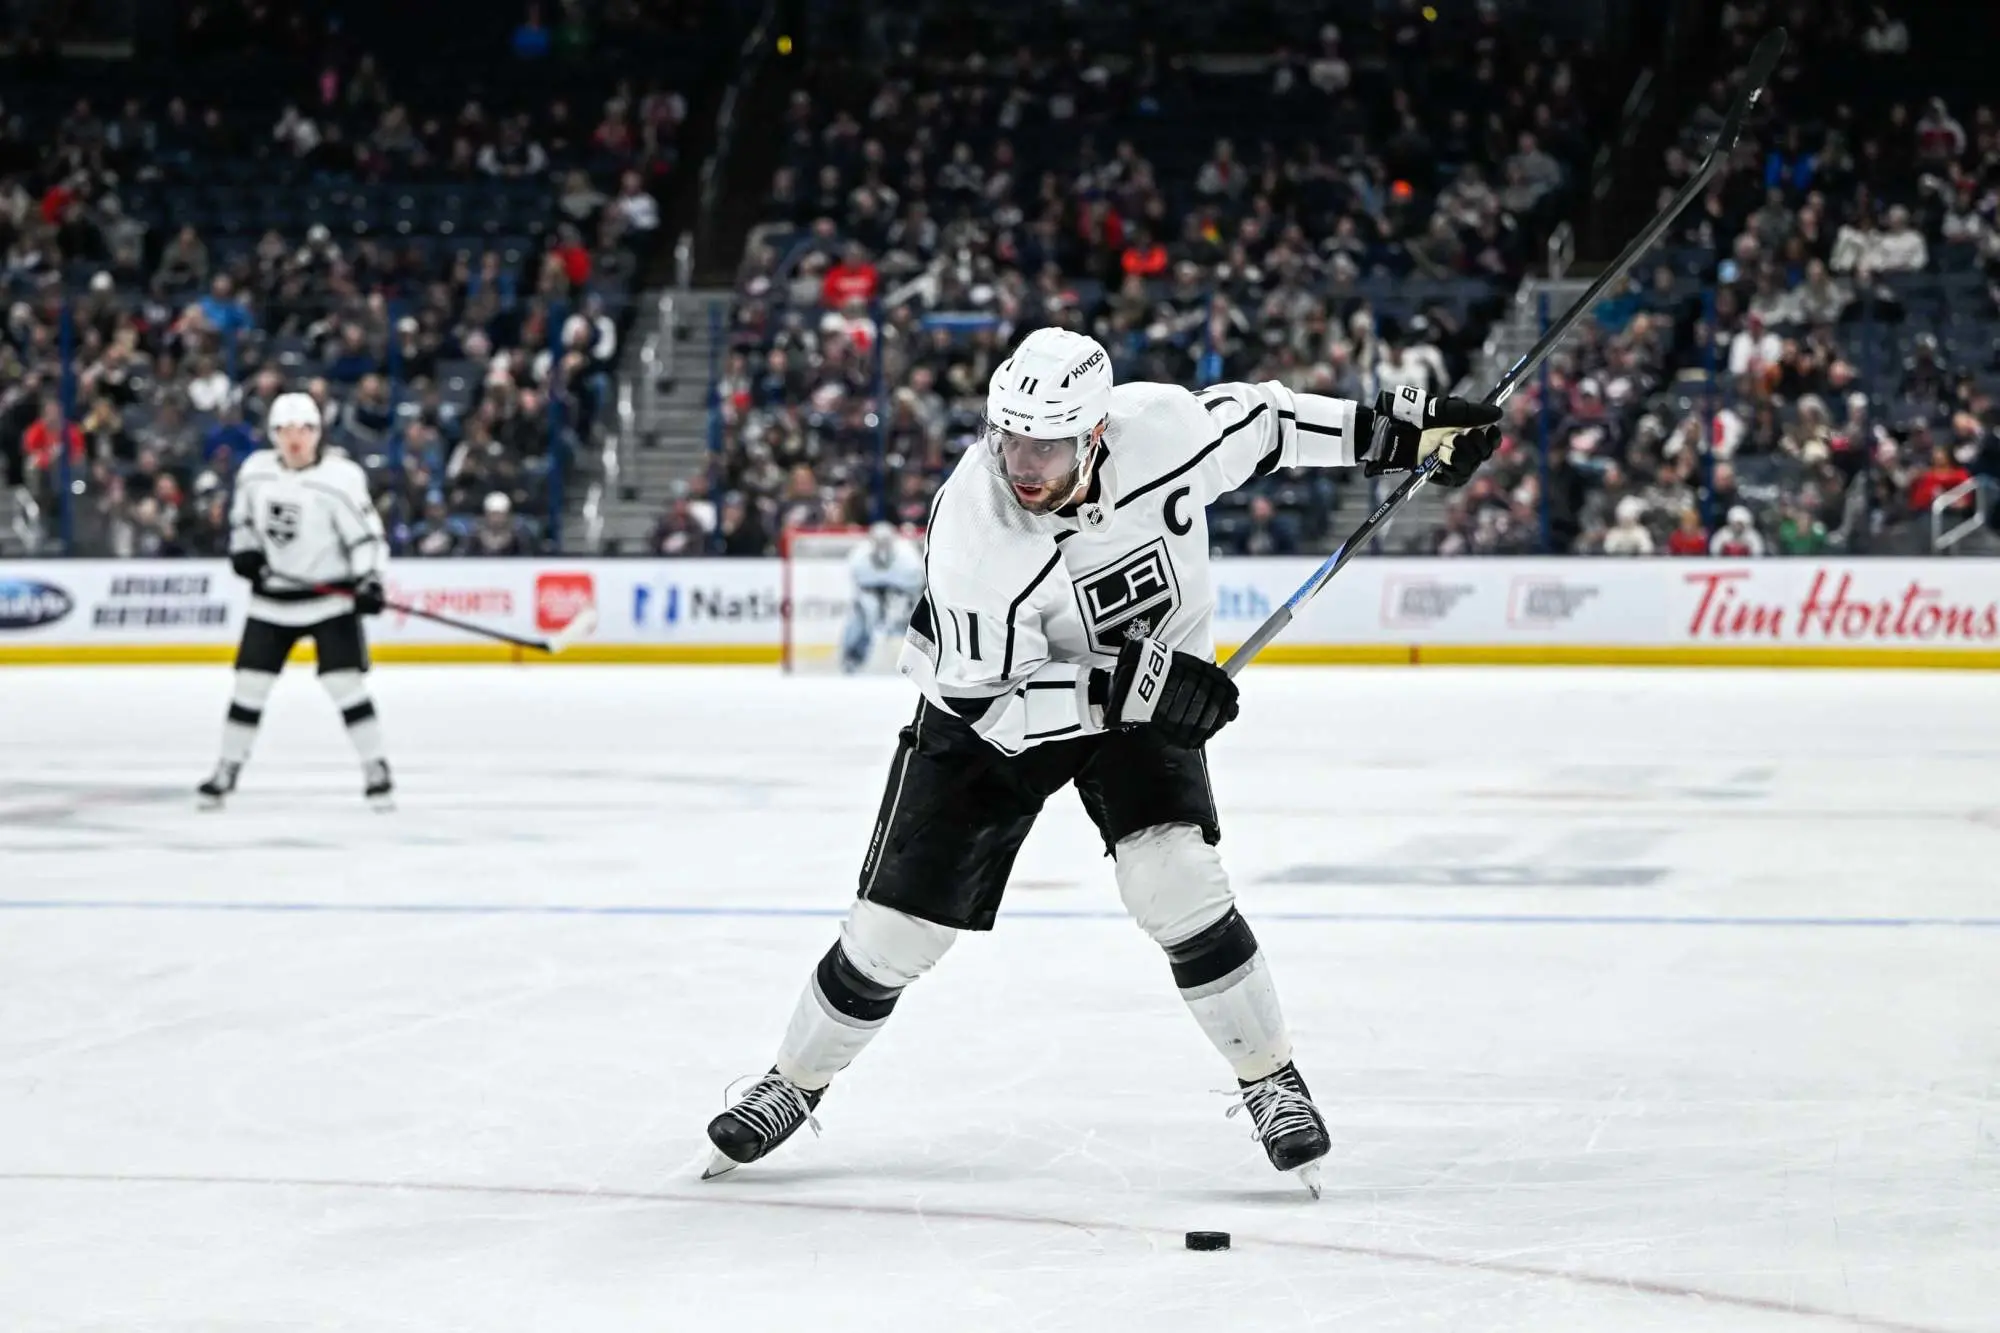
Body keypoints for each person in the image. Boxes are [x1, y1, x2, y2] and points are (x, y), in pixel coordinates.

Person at [702, 328, 1501, 1193]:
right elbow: (990, 706)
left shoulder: (1161, 430)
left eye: (1047, 443)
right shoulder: (974, 528)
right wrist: (1138, 690)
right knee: (896, 932)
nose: (1024, 464)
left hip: (1144, 689)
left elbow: (1267, 422)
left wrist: (1400, 435)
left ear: (1096, 434)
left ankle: (1271, 1078)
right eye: (1011, 439)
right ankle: (792, 1080)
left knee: (1177, 882)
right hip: (994, 715)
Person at [197, 394, 393, 810]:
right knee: (249, 685)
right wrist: (244, 551)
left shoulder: (341, 477)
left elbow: (366, 536)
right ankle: (227, 768)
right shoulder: (255, 473)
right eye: (285, 431)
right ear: (272, 435)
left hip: (330, 599)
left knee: (345, 684)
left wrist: (370, 580)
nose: (295, 440)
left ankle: (375, 766)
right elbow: (243, 524)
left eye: (304, 430)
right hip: (272, 601)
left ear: (318, 433)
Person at [840, 521, 925, 673]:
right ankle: (853, 656)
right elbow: (860, 586)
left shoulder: (907, 556)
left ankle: (924, 659)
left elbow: (916, 586)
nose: (882, 548)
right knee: (858, 620)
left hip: (901, 595)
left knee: (918, 622)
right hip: (871, 593)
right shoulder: (859, 555)